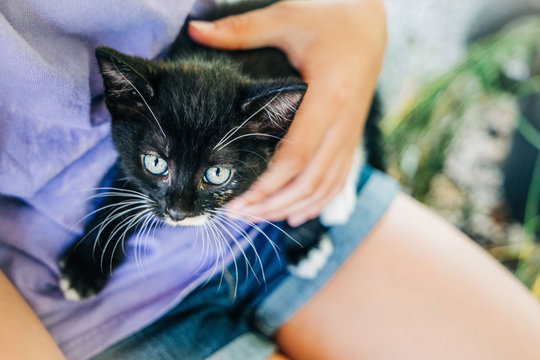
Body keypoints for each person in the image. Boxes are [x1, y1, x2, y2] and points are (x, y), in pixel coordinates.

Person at [1, 0, 540, 359]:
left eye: (208, 178)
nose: (180, 207)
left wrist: (353, 17)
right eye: (159, 170)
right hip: (86, 296)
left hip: (288, 204)